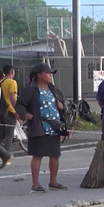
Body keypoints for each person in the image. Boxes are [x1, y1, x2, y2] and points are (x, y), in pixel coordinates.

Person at [15, 64, 66, 192]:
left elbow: (63, 103)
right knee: (37, 155)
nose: (50, 75)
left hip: (54, 128)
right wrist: (25, 114)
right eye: (47, 73)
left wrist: (62, 107)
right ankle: (35, 184)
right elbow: (20, 105)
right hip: (39, 127)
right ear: (39, 75)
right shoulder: (30, 90)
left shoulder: (54, 90)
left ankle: (53, 181)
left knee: (55, 155)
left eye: (51, 73)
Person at [0, 65, 18, 165]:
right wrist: (16, 111)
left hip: (1, 112)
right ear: (12, 72)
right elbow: (12, 98)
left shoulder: (0, 82)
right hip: (10, 112)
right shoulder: (12, 82)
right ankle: (5, 156)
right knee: (9, 136)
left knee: (1, 135)